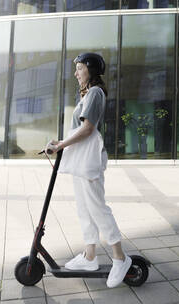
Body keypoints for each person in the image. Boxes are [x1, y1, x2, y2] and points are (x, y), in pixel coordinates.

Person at [45, 53, 132, 288]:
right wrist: (59, 141)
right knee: (84, 209)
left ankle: (121, 258)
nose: (76, 73)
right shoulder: (87, 94)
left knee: (97, 208)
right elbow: (79, 130)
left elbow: (87, 129)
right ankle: (90, 257)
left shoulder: (95, 93)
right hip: (80, 159)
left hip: (89, 160)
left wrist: (61, 145)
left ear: (91, 70)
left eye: (80, 68)